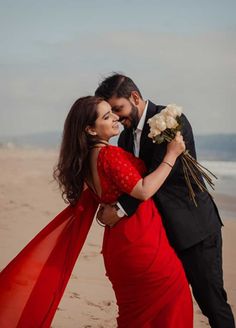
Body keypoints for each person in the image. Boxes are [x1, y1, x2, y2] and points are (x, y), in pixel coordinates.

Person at [0, 96, 192, 328]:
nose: (114, 118)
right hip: (141, 243)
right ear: (90, 129)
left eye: (112, 112)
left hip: (119, 244)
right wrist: (171, 155)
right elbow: (143, 190)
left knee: (137, 317)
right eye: (106, 116)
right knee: (171, 304)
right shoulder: (108, 155)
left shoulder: (89, 159)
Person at [95, 73, 235, 328]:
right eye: (111, 113)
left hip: (195, 230)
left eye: (119, 109)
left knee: (211, 303)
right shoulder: (126, 137)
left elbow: (156, 178)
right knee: (169, 304)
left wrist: (120, 210)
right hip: (160, 236)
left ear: (135, 97)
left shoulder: (170, 121)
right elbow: (130, 182)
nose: (117, 117)